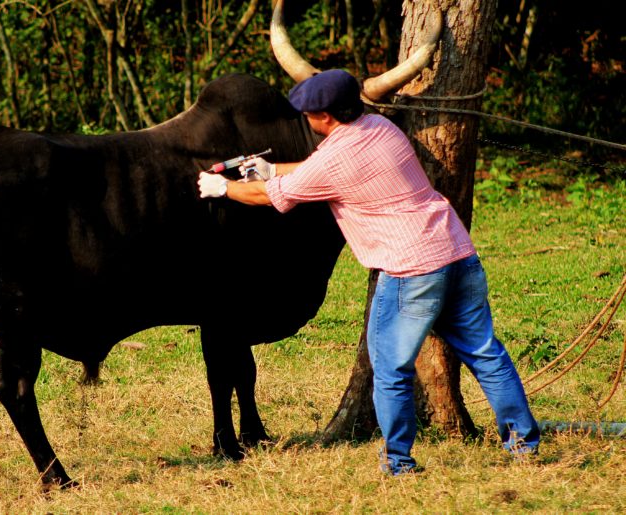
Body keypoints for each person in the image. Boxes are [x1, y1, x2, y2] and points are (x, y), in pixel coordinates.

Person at [197, 69, 540, 475]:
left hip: (410, 270)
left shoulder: (337, 158)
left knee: (391, 367)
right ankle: (523, 446)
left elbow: (268, 197)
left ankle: (398, 462)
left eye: (308, 113)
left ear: (324, 117)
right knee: (486, 355)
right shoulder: (380, 128)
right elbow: (315, 166)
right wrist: (273, 168)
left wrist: (223, 188)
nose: (305, 119)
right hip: (456, 252)